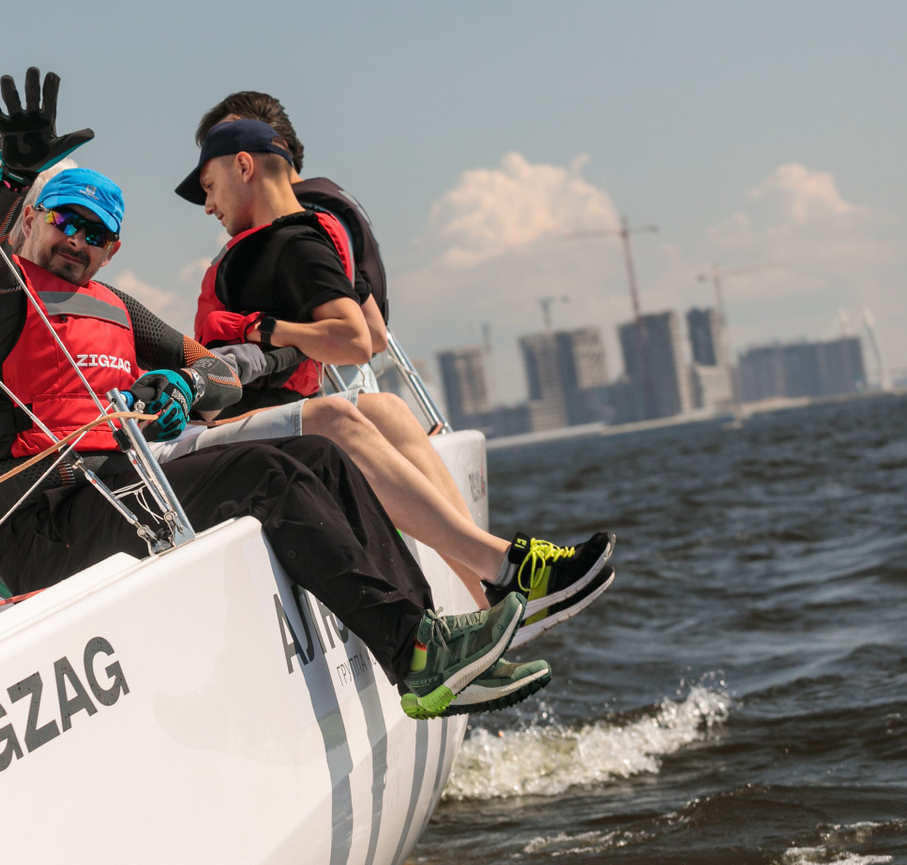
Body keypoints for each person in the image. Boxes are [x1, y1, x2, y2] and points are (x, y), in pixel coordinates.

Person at [0, 68, 550, 717]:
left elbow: (217, 369)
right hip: (40, 531)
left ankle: (430, 639)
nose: (77, 241)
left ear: (112, 250)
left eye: (95, 234)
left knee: (322, 456)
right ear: (31, 220)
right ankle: (417, 654)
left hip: (118, 496)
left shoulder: (115, 309)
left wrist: (192, 382)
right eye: (65, 221)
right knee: (265, 475)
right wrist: (12, 177)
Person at [173, 100, 613, 644]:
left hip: (261, 415)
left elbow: (360, 339)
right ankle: (500, 573)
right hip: (219, 426)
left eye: (209, 185)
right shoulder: (298, 237)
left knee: (385, 409)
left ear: (244, 165)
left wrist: (268, 330)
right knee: (346, 415)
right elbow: (367, 338)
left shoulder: (279, 245)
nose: (208, 205)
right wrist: (280, 334)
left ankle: (494, 594)